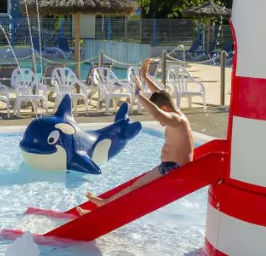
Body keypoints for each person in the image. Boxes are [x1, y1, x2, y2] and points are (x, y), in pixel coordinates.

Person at [77, 58, 194, 213]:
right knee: (136, 187)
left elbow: (157, 113)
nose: (159, 121)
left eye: (162, 114)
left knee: (136, 189)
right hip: (171, 167)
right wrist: (145, 77)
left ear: (165, 109)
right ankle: (104, 204)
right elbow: (160, 94)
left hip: (174, 169)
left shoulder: (176, 120)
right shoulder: (176, 112)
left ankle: (103, 208)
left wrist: (138, 94)